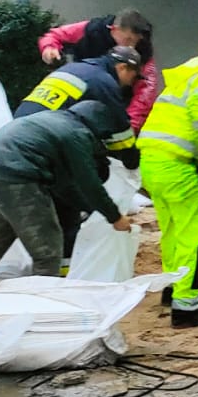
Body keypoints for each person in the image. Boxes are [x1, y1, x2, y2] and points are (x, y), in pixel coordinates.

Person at [0, 100, 130, 329]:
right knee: (47, 253)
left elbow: (63, 185)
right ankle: (40, 319)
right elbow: (88, 183)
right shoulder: (76, 133)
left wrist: (87, 209)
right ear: (98, 127)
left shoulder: (50, 122)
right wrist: (114, 217)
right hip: (17, 182)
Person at [15, 45, 142, 274]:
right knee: (68, 209)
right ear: (123, 67)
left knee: (56, 208)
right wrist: (132, 163)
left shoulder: (75, 69)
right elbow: (120, 133)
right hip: (47, 146)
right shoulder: (104, 83)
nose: (130, 84)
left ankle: (59, 270)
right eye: (132, 77)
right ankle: (63, 275)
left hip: (22, 138)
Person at [135, 37, 198, 328]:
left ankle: (173, 288)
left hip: (153, 161)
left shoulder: (188, 73)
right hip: (181, 164)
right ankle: (186, 306)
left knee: (173, 231)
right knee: (193, 235)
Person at [38, 9, 158, 128]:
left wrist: (130, 126)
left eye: (135, 41)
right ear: (114, 29)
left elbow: (144, 94)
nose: (132, 47)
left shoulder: (143, 52)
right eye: (128, 40)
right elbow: (55, 35)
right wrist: (49, 48)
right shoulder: (91, 30)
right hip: (81, 95)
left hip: (120, 102)